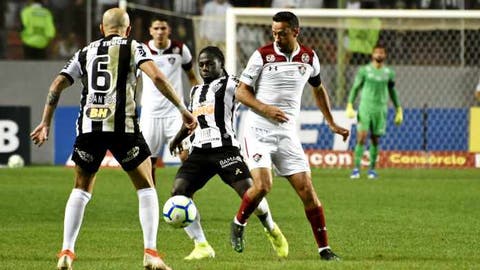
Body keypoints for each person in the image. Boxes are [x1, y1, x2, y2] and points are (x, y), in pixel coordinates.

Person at [30, 8, 196, 270]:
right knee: (146, 187)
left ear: (101, 29)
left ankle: (66, 252)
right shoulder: (134, 46)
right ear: (128, 30)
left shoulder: (85, 51)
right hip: (123, 128)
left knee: (81, 188)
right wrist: (183, 110)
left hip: (89, 128)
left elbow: (56, 85)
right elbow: (158, 77)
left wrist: (45, 122)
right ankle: (151, 253)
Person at [232, 11, 350, 261]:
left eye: (282, 33)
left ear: (295, 32)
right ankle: (238, 223)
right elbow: (241, 93)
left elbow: (318, 89)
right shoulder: (262, 55)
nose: (276, 38)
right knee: (264, 185)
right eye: (273, 33)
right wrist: (265, 109)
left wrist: (331, 122)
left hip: (286, 134)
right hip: (257, 131)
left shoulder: (309, 57)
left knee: (307, 190)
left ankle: (324, 250)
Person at [168, 46, 288, 260]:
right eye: (201, 64)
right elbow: (192, 121)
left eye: (209, 64)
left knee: (251, 194)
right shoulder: (195, 91)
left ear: (221, 64)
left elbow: (253, 96)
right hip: (199, 152)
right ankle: (201, 245)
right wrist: (178, 139)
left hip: (225, 150)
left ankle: (271, 228)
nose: (204, 68)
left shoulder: (232, 84)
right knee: (179, 192)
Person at [139, 16, 199, 183]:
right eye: (156, 28)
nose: (159, 32)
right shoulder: (142, 50)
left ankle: (186, 199)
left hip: (176, 113)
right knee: (148, 164)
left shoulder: (180, 49)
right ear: (150, 31)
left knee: (186, 157)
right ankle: (151, 205)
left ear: (169, 31)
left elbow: (192, 77)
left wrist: (196, 102)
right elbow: (134, 81)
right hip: (150, 114)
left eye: (163, 28)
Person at [346, 43, 403, 179]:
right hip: (365, 107)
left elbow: (392, 91)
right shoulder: (364, 70)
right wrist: (349, 104)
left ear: (385, 55)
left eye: (382, 53)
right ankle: (356, 169)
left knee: (375, 139)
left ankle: (372, 169)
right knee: (362, 137)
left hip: (381, 109)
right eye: (377, 52)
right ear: (372, 54)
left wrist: (398, 109)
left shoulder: (389, 73)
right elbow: (355, 88)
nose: (379, 55)